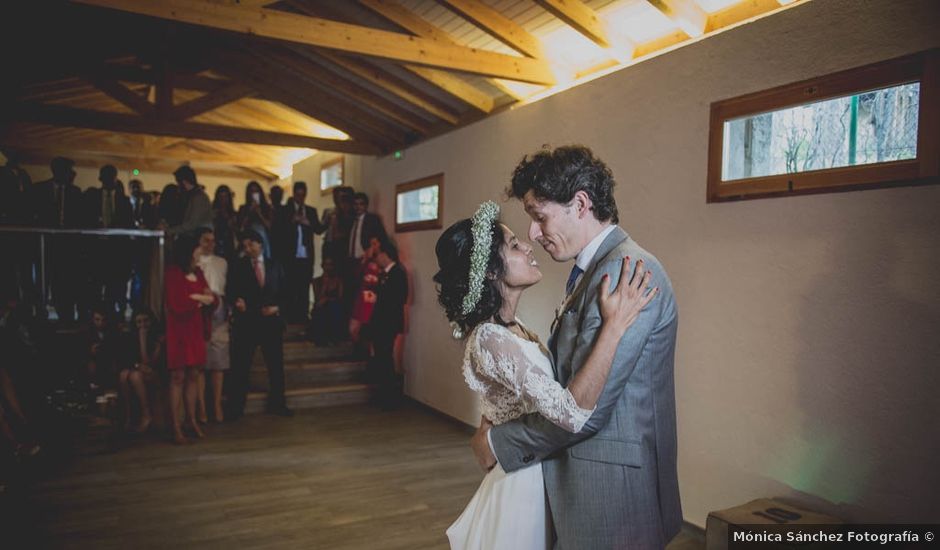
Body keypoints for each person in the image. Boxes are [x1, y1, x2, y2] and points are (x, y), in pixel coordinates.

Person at [468, 146, 683, 549]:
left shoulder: (623, 270)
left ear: (580, 204)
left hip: (612, 494)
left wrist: (498, 442)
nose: (534, 233)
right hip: (585, 483)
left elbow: (587, 411)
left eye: (539, 216)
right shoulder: (594, 270)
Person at [435, 201, 657, 550]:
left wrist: (488, 435)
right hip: (522, 486)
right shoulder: (490, 338)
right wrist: (614, 326)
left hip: (539, 471)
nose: (527, 244)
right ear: (492, 271)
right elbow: (570, 413)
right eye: (512, 246)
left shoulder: (512, 328)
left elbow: (503, 400)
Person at [226, 230, 292, 419]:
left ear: (260, 244)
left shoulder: (275, 265)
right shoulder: (238, 266)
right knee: (241, 366)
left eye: (250, 245)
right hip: (247, 322)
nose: (247, 249)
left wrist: (277, 308)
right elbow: (230, 290)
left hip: (271, 322)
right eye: (244, 246)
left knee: (275, 366)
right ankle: (235, 408)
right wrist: (236, 301)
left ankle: (278, 404)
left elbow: (286, 293)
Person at [164, 233, 216, 444]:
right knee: (178, 377)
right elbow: (176, 304)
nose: (200, 251)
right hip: (178, 331)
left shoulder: (199, 273)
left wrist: (199, 298)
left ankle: (191, 420)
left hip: (195, 329)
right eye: (197, 247)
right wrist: (199, 299)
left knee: (194, 375)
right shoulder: (173, 273)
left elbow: (213, 300)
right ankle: (176, 425)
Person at [31, 157, 83, 321]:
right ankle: (40, 314)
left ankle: (65, 316)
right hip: (44, 244)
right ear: (56, 170)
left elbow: (78, 219)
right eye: (67, 170)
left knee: (63, 281)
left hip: (66, 246)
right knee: (42, 280)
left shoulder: (75, 191)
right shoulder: (39, 189)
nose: (70, 174)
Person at [274, 181, 325, 323]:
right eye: (298, 195)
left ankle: (302, 316)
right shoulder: (284, 211)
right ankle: (290, 316)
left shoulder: (311, 211)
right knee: (290, 286)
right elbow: (278, 231)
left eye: (303, 195)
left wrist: (308, 222)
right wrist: (292, 221)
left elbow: (318, 230)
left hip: (306, 255)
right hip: (290, 255)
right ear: (294, 194)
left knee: (304, 286)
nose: (300, 198)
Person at [368, 239, 408, 409]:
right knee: (381, 356)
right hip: (381, 322)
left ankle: (388, 397)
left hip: (388, 322)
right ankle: (383, 394)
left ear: (385, 254)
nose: (376, 258)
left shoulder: (397, 272)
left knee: (385, 357)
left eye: (378, 255)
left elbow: (399, 298)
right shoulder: (384, 274)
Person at [195, 228, 229, 424]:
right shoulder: (194, 261)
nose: (210, 244)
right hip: (200, 307)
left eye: (213, 241)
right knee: (200, 362)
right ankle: (201, 407)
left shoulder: (222, 262)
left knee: (218, 361)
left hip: (219, 307)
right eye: (206, 240)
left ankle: (216, 404)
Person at [118, 307, 163, 433]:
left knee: (135, 376)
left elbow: (150, 363)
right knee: (124, 374)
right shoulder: (129, 337)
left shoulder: (157, 338)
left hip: (155, 372)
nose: (142, 325)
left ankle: (146, 414)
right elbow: (127, 360)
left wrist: (143, 340)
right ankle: (129, 416)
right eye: (139, 322)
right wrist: (138, 366)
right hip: (138, 371)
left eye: (145, 321)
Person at [309, 257, 344, 346]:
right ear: (322, 266)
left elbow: (340, 297)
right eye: (326, 265)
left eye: (330, 265)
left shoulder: (338, 280)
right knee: (320, 310)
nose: (328, 267)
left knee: (334, 307)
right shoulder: (316, 281)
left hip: (333, 306)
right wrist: (325, 284)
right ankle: (321, 339)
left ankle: (334, 338)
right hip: (321, 306)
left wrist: (327, 299)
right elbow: (318, 298)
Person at [167, 166, 212, 236]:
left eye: (178, 182)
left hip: (197, 239)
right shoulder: (194, 196)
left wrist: (170, 231)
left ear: (184, 182)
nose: (178, 186)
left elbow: (192, 224)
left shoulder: (198, 198)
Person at [237, 180, 274, 259]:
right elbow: (241, 227)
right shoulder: (243, 208)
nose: (254, 194)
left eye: (256, 191)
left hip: (263, 240)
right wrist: (249, 212)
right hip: (248, 242)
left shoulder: (267, 208)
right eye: (252, 192)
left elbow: (269, 226)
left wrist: (259, 213)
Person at [211, 185, 238, 261]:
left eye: (225, 197)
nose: (223, 199)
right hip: (217, 244)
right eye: (221, 197)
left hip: (229, 246)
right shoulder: (213, 213)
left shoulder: (233, 214)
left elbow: (237, 231)